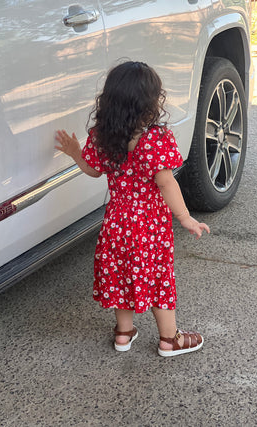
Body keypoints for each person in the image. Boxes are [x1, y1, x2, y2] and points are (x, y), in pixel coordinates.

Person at [55, 61, 210, 357]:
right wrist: (185, 217)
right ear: (151, 103)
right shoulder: (155, 139)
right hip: (149, 227)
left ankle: (123, 334)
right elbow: (165, 183)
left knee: (123, 276)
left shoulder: (105, 136)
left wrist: (75, 152)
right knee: (158, 277)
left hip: (116, 223)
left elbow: (93, 170)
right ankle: (170, 339)